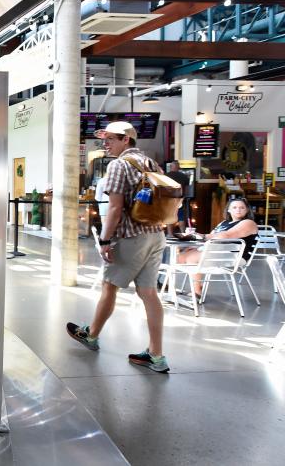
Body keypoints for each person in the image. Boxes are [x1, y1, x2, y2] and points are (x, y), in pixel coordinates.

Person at [66, 121, 170, 373]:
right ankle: (156, 355)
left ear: (126, 140)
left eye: (111, 139)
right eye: (105, 139)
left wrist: (105, 240)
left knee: (109, 287)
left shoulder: (118, 165)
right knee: (148, 293)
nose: (106, 144)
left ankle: (90, 335)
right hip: (156, 235)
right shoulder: (150, 164)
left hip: (131, 236)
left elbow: (114, 208)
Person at [175, 198, 258, 299]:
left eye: (242, 207)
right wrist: (196, 245)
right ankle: (190, 288)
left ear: (247, 210)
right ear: (229, 210)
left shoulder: (249, 223)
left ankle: (197, 292)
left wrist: (202, 235)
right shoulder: (223, 223)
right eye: (234, 207)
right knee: (180, 257)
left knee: (190, 258)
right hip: (216, 252)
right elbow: (211, 236)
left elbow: (227, 235)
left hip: (234, 256)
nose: (238, 210)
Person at [165, 161, 190, 236]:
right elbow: (186, 188)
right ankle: (182, 233)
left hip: (169, 200)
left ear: (171, 167)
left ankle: (170, 235)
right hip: (179, 199)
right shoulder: (184, 176)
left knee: (169, 217)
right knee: (181, 217)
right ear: (178, 167)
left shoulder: (166, 176)